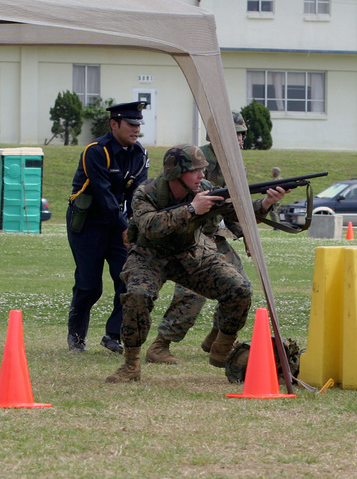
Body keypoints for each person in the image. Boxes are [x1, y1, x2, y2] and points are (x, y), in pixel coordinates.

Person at [105, 143, 287, 383]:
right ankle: (131, 365)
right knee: (137, 295)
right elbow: (150, 226)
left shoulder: (206, 189)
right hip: (149, 256)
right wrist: (191, 209)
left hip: (190, 253)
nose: (202, 174)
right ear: (175, 174)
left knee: (239, 289)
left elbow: (236, 213)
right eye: (196, 170)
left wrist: (265, 203)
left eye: (203, 170)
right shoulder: (146, 192)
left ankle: (221, 348)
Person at [145, 111, 248, 365]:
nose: (239, 138)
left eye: (242, 133)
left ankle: (217, 338)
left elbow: (232, 205)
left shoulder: (236, 164)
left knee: (239, 286)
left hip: (215, 234)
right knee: (191, 291)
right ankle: (161, 345)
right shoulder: (197, 160)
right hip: (191, 234)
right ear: (216, 136)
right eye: (234, 133)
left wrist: (245, 232)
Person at [66, 101, 149, 354]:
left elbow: (138, 194)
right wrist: (125, 226)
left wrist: (134, 227)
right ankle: (76, 336)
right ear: (114, 124)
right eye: (130, 124)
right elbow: (103, 194)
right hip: (88, 223)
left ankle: (113, 335)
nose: (136, 129)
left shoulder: (140, 154)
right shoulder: (96, 151)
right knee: (89, 284)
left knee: (127, 277)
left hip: (118, 223)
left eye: (138, 125)